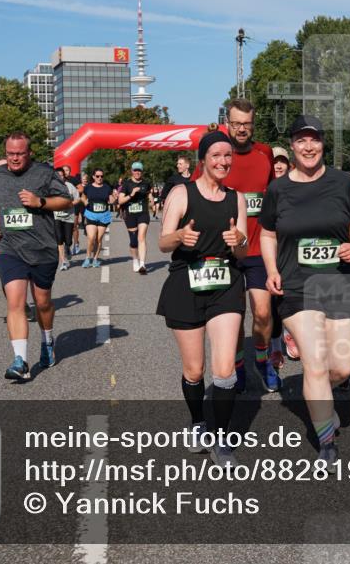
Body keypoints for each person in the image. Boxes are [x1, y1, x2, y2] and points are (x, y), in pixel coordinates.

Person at [259, 115, 350, 462]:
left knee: (343, 367)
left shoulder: (342, 182)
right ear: (292, 145)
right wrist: (272, 269)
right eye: (301, 140)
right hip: (297, 285)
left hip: (339, 281)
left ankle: (322, 400)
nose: (308, 146)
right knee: (316, 365)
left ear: (323, 144)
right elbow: (268, 234)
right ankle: (326, 441)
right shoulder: (278, 189)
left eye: (314, 140)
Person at [157, 131, 248, 467]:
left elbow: (244, 248)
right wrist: (181, 235)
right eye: (216, 156)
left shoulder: (235, 198)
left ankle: (222, 439)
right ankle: (198, 422)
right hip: (186, 281)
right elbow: (163, 243)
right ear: (203, 161)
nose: (223, 162)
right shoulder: (182, 193)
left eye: (228, 156)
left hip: (225, 282)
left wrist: (238, 239)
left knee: (224, 371)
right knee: (195, 370)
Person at [197, 99, 279, 392]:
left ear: (253, 124)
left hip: (257, 249)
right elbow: (197, 194)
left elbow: (275, 193)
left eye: (247, 124)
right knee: (234, 316)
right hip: (224, 252)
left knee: (262, 312)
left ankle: (262, 358)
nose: (241, 129)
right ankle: (239, 363)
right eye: (236, 123)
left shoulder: (265, 153)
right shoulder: (217, 156)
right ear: (227, 123)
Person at [0, 132, 72, 380]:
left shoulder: (44, 173)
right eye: (10, 154)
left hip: (42, 248)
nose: (14, 158)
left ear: (29, 153)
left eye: (20, 154)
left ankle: (47, 342)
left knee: (42, 302)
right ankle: (20, 361)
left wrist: (40, 201)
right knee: (15, 301)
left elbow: (66, 201)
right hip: (10, 247)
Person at [268, 145, 292, 368]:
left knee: (291, 296)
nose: (278, 164)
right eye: (274, 161)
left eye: (282, 161)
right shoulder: (265, 190)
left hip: (292, 251)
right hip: (271, 251)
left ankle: (291, 333)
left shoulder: (297, 187)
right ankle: (276, 347)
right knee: (274, 301)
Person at [119, 161, 155, 274]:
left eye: (139, 170)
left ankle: (142, 264)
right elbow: (120, 201)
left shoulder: (146, 183)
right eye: (135, 170)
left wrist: (152, 201)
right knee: (133, 241)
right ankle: (135, 260)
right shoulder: (126, 184)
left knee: (141, 237)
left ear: (142, 172)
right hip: (130, 215)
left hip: (143, 213)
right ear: (132, 171)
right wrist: (131, 194)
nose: (137, 172)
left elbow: (149, 194)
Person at [81, 169, 116, 268]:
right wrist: (84, 201)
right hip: (91, 214)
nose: (100, 178)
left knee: (98, 238)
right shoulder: (88, 187)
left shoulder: (106, 187)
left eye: (101, 176)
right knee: (91, 237)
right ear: (93, 177)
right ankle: (88, 258)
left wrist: (114, 198)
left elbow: (111, 200)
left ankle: (95, 259)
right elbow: (83, 197)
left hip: (103, 215)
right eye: (97, 176)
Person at [54, 167, 81, 271]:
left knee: (68, 240)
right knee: (59, 239)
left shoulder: (70, 186)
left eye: (61, 175)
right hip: (57, 216)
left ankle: (68, 247)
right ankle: (63, 261)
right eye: (58, 175)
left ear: (64, 176)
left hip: (69, 216)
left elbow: (78, 199)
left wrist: (70, 204)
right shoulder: (52, 186)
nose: (60, 177)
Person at [63, 165, 83, 256]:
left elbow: (81, 188)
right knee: (64, 226)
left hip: (74, 204)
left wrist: (72, 192)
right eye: (64, 170)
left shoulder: (73, 179)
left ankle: (76, 244)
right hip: (63, 206)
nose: (65, 172)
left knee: (74, 226)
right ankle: (67, 245)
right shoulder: (59, 180)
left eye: (67, 170)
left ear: (69, 172)